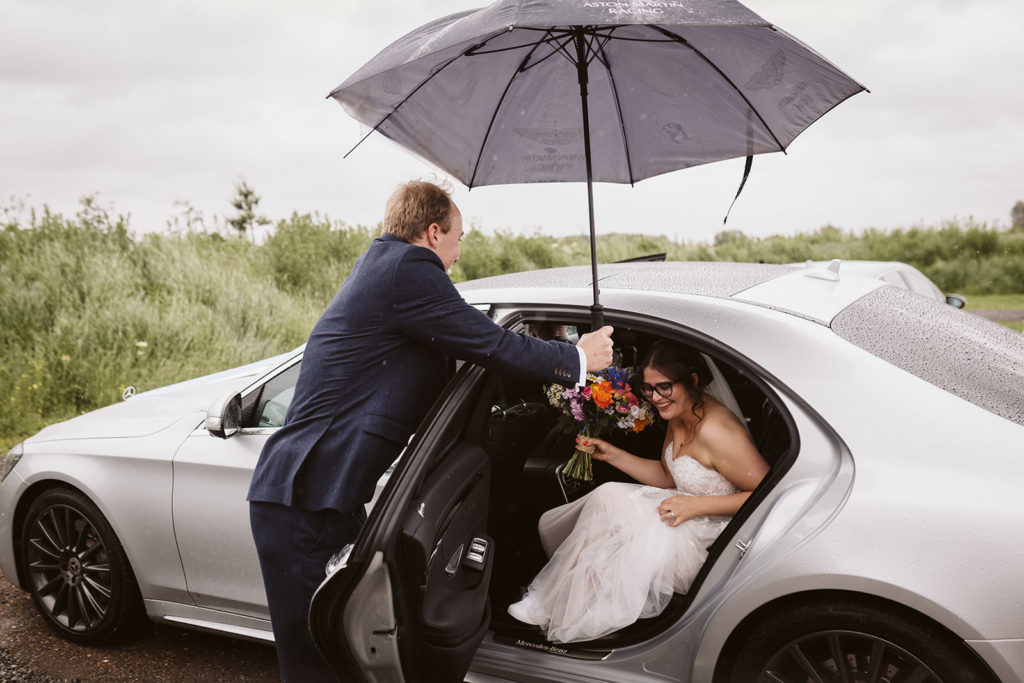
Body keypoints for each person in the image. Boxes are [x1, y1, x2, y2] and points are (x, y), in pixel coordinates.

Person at [247, 179, 614, 681]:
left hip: (324, 496)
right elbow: (488, 343)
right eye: (460, 237)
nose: (460, 253)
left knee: (343, 654)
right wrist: (576, 357)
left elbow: (460, 351)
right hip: (305, 496)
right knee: (316, 664)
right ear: (434, 231)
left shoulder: (389, 269)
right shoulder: (409, 269)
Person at [507, 340, 768, 644]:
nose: (655, 398)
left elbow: (767, 495)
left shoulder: (717, 431)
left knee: (628, 526)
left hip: (712, 535)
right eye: (648, 388)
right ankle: (550, 602)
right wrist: (611, 454)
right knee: (608, 496)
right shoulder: (681, 414)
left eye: (664, 387)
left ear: (693, 381)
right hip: (679, 509)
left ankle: (562, 608)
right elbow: (667, 475)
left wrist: (696, 507)